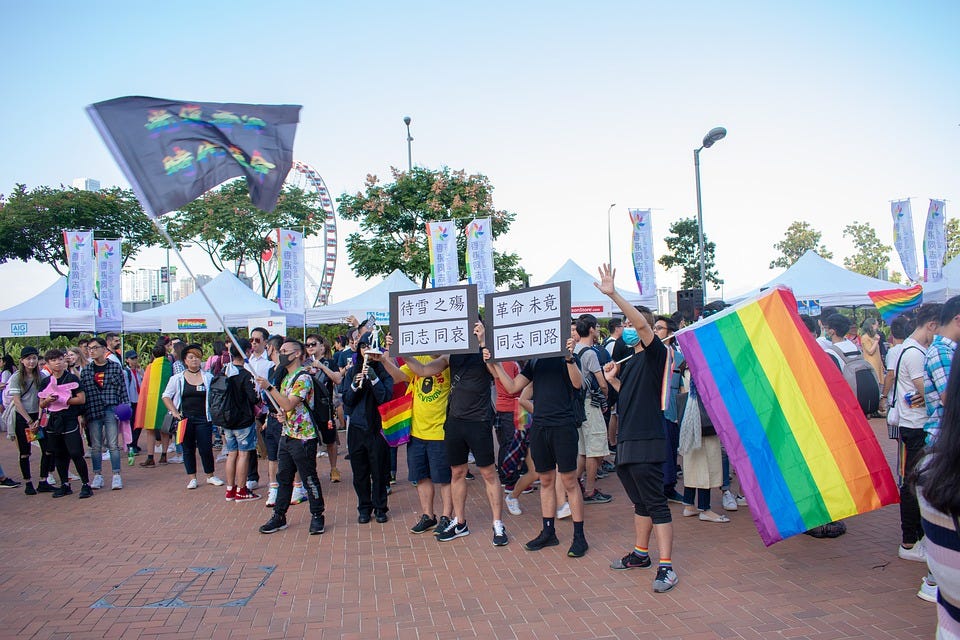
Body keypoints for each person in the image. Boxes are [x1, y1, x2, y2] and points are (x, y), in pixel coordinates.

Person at [595, 264, 678, 594]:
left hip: (648, 441)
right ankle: (641, 555)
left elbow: (644, 325)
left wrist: (613, 293)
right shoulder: (630, 361)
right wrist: (613, 381)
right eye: (625, 324)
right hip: (628, 442)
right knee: (640, 504)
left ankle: (666, 567)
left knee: (656, 503)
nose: (628, 328)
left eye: (632, 324)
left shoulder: (657, 353)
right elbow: (625, 398)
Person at [405, 322, 509, 548]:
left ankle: (497, 523)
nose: (471, 329)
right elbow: (423, 370)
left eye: (476, 325)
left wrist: (483, 343)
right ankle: (460, 521)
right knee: (457, 472)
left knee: (488, 473)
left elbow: (497, 375)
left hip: (479, 420)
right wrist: (403, 354)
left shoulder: (487, 350)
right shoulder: (452, 353)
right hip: (454, 421)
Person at [488, 330, 586, 556]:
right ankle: (548, 531)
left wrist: (570, 358)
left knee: (569, 480)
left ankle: (579, 536)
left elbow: (577, 383)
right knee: (546, 479)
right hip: (540, 426)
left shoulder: (567, 356)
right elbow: (513, 387)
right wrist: (495, 364)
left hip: (563, 425)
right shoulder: (535, 359)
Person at [370, 339, 454, 535]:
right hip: (415, 430)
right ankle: (428, 515)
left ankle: (446, 516)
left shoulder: (448, 360)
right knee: (420, 476)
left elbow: (427, 368)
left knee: (444, 478)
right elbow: (400, 377)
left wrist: (405, 352)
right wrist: (384, 360)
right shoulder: (417, 358)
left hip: (439, 430)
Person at [256, 339, 326, 536]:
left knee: (308, 477)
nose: (281, 354)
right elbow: (286, 408)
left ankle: (317, 515)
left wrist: (270, 388)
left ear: (296, 354)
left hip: (303, 437)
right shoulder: (287, 377)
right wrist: (281, 414)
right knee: (283, 477)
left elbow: (289, 404)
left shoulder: (303, 378)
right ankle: (279, 515)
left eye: (285, 351)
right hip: (287, 434)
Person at [915, 296, 960, 602]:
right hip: (946, 441)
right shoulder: (944, 351)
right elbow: (948, 398)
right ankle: (932, 579)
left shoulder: (941, 350)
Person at [892, 304, 942, 562]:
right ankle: (909, 541)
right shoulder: (915, 353)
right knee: (913, 482)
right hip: (915, 426)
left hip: (915, 424)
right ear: (932, 325)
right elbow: (927, 392)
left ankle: (913, 539)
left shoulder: (913, 350)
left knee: (914, 480)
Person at [342, 338, 394, 523]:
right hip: (356, 428)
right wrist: (356, 385)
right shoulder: (352, 371)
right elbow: (347, 400)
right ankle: (364, 508)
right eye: (363, 347)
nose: (366, 351)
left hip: (377, 428)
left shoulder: (383, 372)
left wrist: (373, 378)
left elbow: (385, 397)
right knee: (359, 472)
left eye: (370, 348)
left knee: (379, 471)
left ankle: (380, 507)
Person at [161, 343, 224, 490]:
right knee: (188, 448)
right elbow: (166, 396)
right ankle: (192, 477)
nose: (194, 360)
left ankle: (210, 475)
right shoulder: (177, 378)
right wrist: (175, 413)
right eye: (191, 357)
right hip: (185, 419)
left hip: (204, 418)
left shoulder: (208, 377)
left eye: (197, 357)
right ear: (185, 360)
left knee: (206, 448)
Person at [40, 349, 92, 499]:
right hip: (53, 422)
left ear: (65, 361)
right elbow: (41, 404)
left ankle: (85, 484)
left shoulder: (71, 379)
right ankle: (64, 484)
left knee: (75, 452)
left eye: (61, 359)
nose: (58, 362)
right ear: (48, 363)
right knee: (59, 454)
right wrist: (48, 401)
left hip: (69, 419)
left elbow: (81, 399)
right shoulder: (45, 382)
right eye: (54, 360)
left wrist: (64, 400)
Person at [79, 337, 129, 491]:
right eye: (89, 348)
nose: (91, 351)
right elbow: (83, 393)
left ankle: (116, 475)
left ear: (104, 349)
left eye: (94, 348)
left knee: (113, 445)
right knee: (95, 446)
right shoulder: (86, 370)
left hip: (111, 408)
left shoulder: (114, 367)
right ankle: (97, 475)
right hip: (93, 410)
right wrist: (82, 414)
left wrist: (125, 409)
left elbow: (122, 389)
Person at [8, 346, 53, 494]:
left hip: (38, 416)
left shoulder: (42, 376)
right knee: (25, 452)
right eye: (28, 359)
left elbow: (42, 398)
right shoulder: (16, 377)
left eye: (34, 358)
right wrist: (29, 421)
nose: (31, 361)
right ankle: (28, 483)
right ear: (22, 360)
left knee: (47, 449)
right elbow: (17, 402)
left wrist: (38, 420)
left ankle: (43, 480)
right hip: (23, 418)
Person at [221, 339, 262, 502]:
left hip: (226, 419)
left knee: (232, 453)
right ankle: (241, 489)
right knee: (243, 454)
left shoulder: (224, 372)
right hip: (243, 420)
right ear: (246, 352)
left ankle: (230, 489)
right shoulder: (245, 374)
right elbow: (254, 398)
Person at [305, 335, 342, 483]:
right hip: (308, 408)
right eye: (307, 345)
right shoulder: (303, 363)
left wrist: (321, 366)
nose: (310, 347)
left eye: (313, 344)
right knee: (309, 441)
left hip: (324, 407)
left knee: (330, 439)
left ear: (322, 346)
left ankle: (334, 468)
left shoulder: (329, 362)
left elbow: (338, 379)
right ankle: (311, 472)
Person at [123, 350, 143, 455]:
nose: (134, 361)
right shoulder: (126, 372)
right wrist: (127, 403)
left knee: (139, 424)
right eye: (132, 359)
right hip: (131, 401)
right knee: (131, 424)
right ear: (127, 360)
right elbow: (125, 388)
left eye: (135, 358)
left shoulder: (138, 371)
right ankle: (131, 444)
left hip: (139, 400)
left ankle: (134, 443)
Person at [860, 317, 884, 384]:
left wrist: (881, 364)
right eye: (876, 325)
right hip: (871, 363)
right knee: (874, 381)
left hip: (877, 363)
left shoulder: (874, 336)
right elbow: (870, 351)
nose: (877, 327)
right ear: (871, 325)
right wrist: (876, 341)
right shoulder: (865, 337)